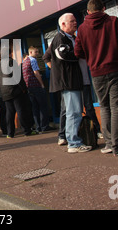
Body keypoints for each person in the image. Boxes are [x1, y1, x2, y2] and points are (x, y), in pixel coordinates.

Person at [75, 0, 118, 156]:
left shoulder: (82, 29)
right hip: (115, 69)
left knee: (104, 106)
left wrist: (93, 59)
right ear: (104, 8)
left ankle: (108, 144)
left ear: (88, 11)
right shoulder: (113, 21)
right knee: (116, 107)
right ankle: (117, 146)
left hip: (97, 72)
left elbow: (78, 52)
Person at [43, 13, 92, 153]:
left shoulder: (72, 38)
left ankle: (73, 141)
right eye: (72, 21)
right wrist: (79, 53)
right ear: (63, 25)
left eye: (75, 20)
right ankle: (74, 143)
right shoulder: (60, 38)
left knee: (74, 111)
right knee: (73, 112)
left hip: (74, 81)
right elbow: (62, 55)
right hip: (68, 82)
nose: (75, 23)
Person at [0, 46, 36, 138]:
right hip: (15, 90)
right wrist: (24, 88)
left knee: (9, 113)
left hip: (5, 92)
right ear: (9, 53)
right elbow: (18, 77)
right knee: (20, 110)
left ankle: (10, 133)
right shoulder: (11, 61)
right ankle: (27, 130)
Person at [22, 46, 53, 132]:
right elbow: (36, 72)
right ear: (30, 53)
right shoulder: (32, 60)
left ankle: (38, 126)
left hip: (30, 87)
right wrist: (42, 84)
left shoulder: (24, 62)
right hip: (36, 86)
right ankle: (44, 126)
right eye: (36, 52)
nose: (38, 54)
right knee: (43, 106)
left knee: (35, 108)